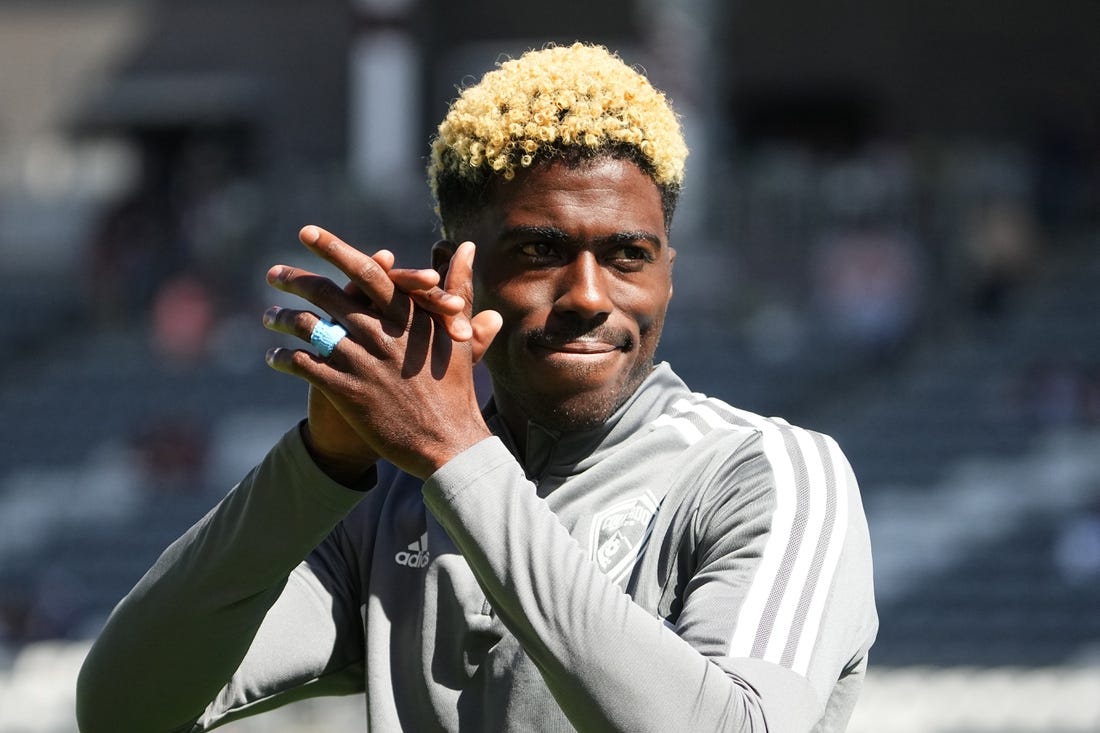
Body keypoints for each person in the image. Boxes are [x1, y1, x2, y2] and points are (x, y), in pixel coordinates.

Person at [76, 42, 877, 732]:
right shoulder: (387, 503)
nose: (591, 295)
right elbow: (125, 708)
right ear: (458, 272)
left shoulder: (765, 472)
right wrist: (322, 462)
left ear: (669, 275)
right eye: (541, 250)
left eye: (629, 255)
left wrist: (461, 459)